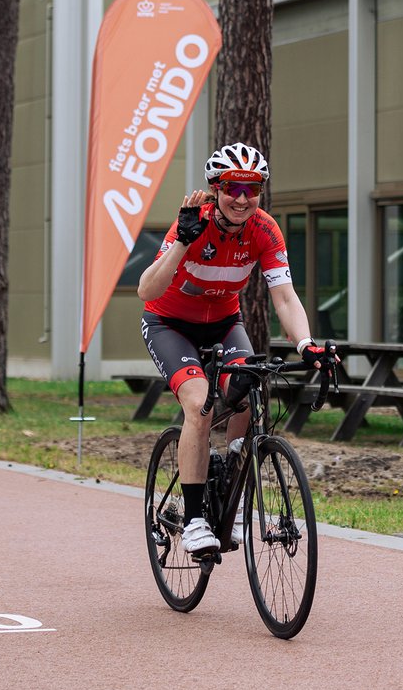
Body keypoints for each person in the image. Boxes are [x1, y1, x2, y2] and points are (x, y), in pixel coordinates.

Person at [138, 142, 333, 556]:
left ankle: (234, 492)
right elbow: (146, 290)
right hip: (169, 324)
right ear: (215, 188)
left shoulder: (265, 230)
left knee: (247, 393)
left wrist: (306, 344)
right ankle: (192, 522)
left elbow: (284, 296)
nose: (243, 198)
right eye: (233, 188)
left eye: (253, 188)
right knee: (200, 404)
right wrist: (180, 244)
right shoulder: (192, 224)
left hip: (224, 324)